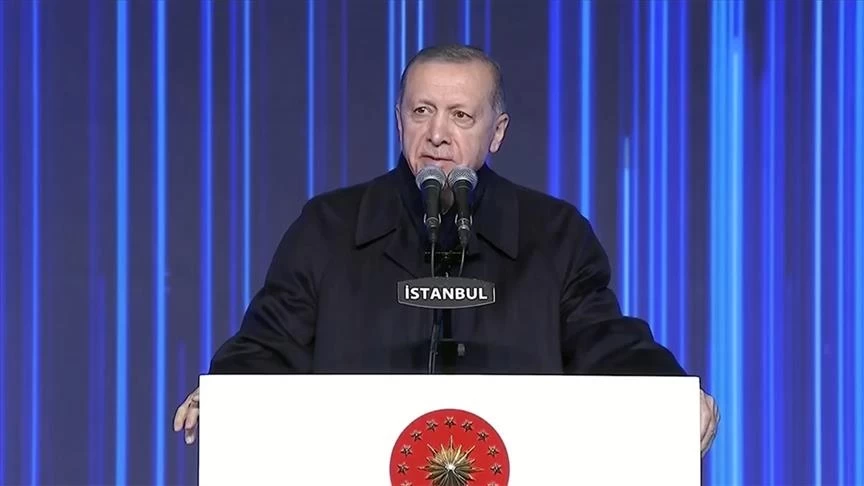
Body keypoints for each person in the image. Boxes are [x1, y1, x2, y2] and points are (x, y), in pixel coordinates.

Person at [173, 44, 719, 455]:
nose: (437, 133)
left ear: (496, 132)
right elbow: (270, 343)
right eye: (421, 111)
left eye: (460, 115)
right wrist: (228, 392)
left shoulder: (553, 233)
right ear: (399, 119)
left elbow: (605, 343)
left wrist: (669, 395)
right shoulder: (330, 226)